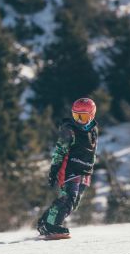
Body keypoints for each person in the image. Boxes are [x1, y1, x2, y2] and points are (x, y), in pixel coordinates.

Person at [37, 98, 98, 237]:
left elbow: (92, 149)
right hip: (70, 169)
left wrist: (91, 166)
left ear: (92, 115)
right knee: (68, 197)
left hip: (85, 171)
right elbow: (59, 151)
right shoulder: (69, 130)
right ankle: (52, 225)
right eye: (76, 116)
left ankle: (45, 222)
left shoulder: (94, 129)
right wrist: (54, 170)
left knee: (73, 203)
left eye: (83, 116)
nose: (79, 120)